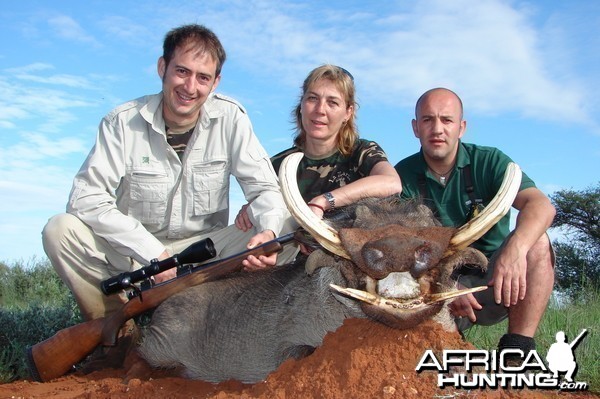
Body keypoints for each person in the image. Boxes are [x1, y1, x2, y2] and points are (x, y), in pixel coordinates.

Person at [42, 24, 293, 323]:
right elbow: (86, 198)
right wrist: (154, 254)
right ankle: (114, 329)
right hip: (136, 256)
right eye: (182, 71)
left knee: (287, 230)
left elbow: (265, 189)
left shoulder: (232, 118)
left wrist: (268, 233)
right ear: (162, 67)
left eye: (203, 77)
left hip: (204, 256)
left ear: (215, 83)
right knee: (59, 231)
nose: (190, 87)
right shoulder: (121, 122)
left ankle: (228, 321)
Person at [394, 88, 556, 355]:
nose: (437, 129)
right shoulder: (401, 176)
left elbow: (541, 206)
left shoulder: (490, 161)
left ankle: (518, 352)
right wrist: (444, 285)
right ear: (415, 127)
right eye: (427, 120)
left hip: (497, 280)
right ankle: (446, 349)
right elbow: (402, 252)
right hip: (437, 288)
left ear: (462, 127)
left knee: (537, 242)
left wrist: (514, 250)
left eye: (447, 120)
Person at [235, 64, 402, 246]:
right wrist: (252, 210)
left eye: (332, 102)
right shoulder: (277, 164)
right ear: (301, 106)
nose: (320, 110)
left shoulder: (363, 151)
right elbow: (265, 204)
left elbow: (391, 183)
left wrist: (323, 202)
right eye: (313, 98)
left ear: (348, 112)